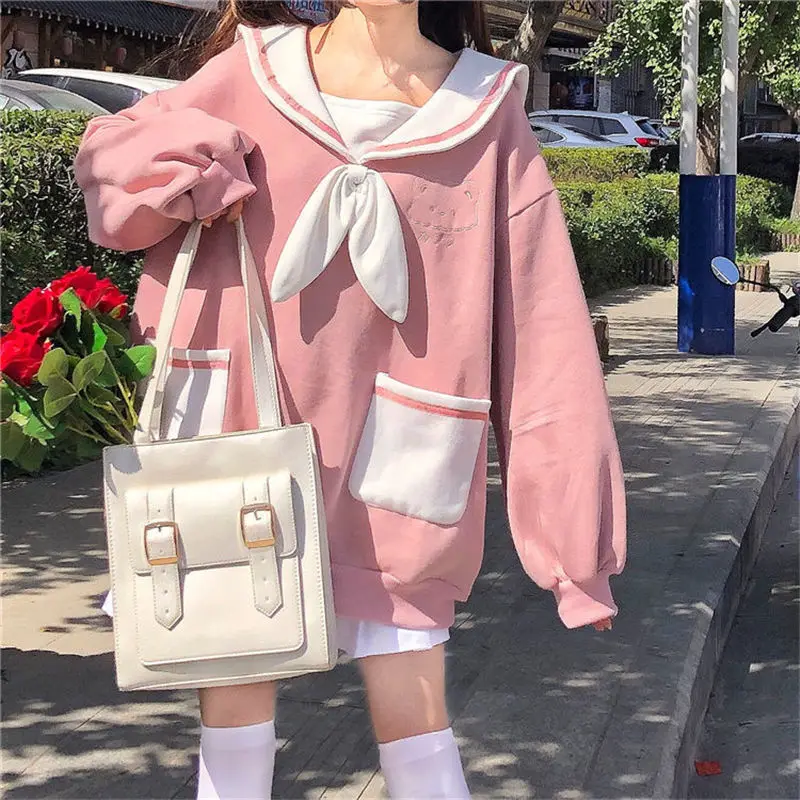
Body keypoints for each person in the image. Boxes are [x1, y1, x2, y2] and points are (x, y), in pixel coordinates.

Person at [75, 1, 627, 797]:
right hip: (235, 448)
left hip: (399, 470)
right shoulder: (252, 71)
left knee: (418, 722)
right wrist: (191, 167)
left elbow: (543, 335)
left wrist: (577, 554)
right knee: (233, 721)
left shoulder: (483, 109)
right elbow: (113, 174)